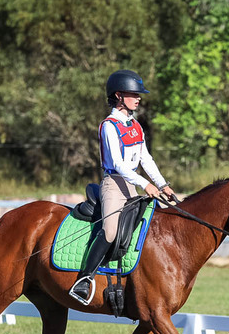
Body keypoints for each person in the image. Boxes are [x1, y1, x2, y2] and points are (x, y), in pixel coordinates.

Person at [69, 69, 175, 305]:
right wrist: (145, 183)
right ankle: (84, 279)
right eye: (134, 94)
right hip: (114, 185)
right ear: (119, 96)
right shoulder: (109, 126)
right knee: (110, 231)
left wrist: (162, 184)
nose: (139, 98)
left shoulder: (136, 125)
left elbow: (146, 158)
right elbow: (117, 164)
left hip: (134, 186)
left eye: (139, 95)